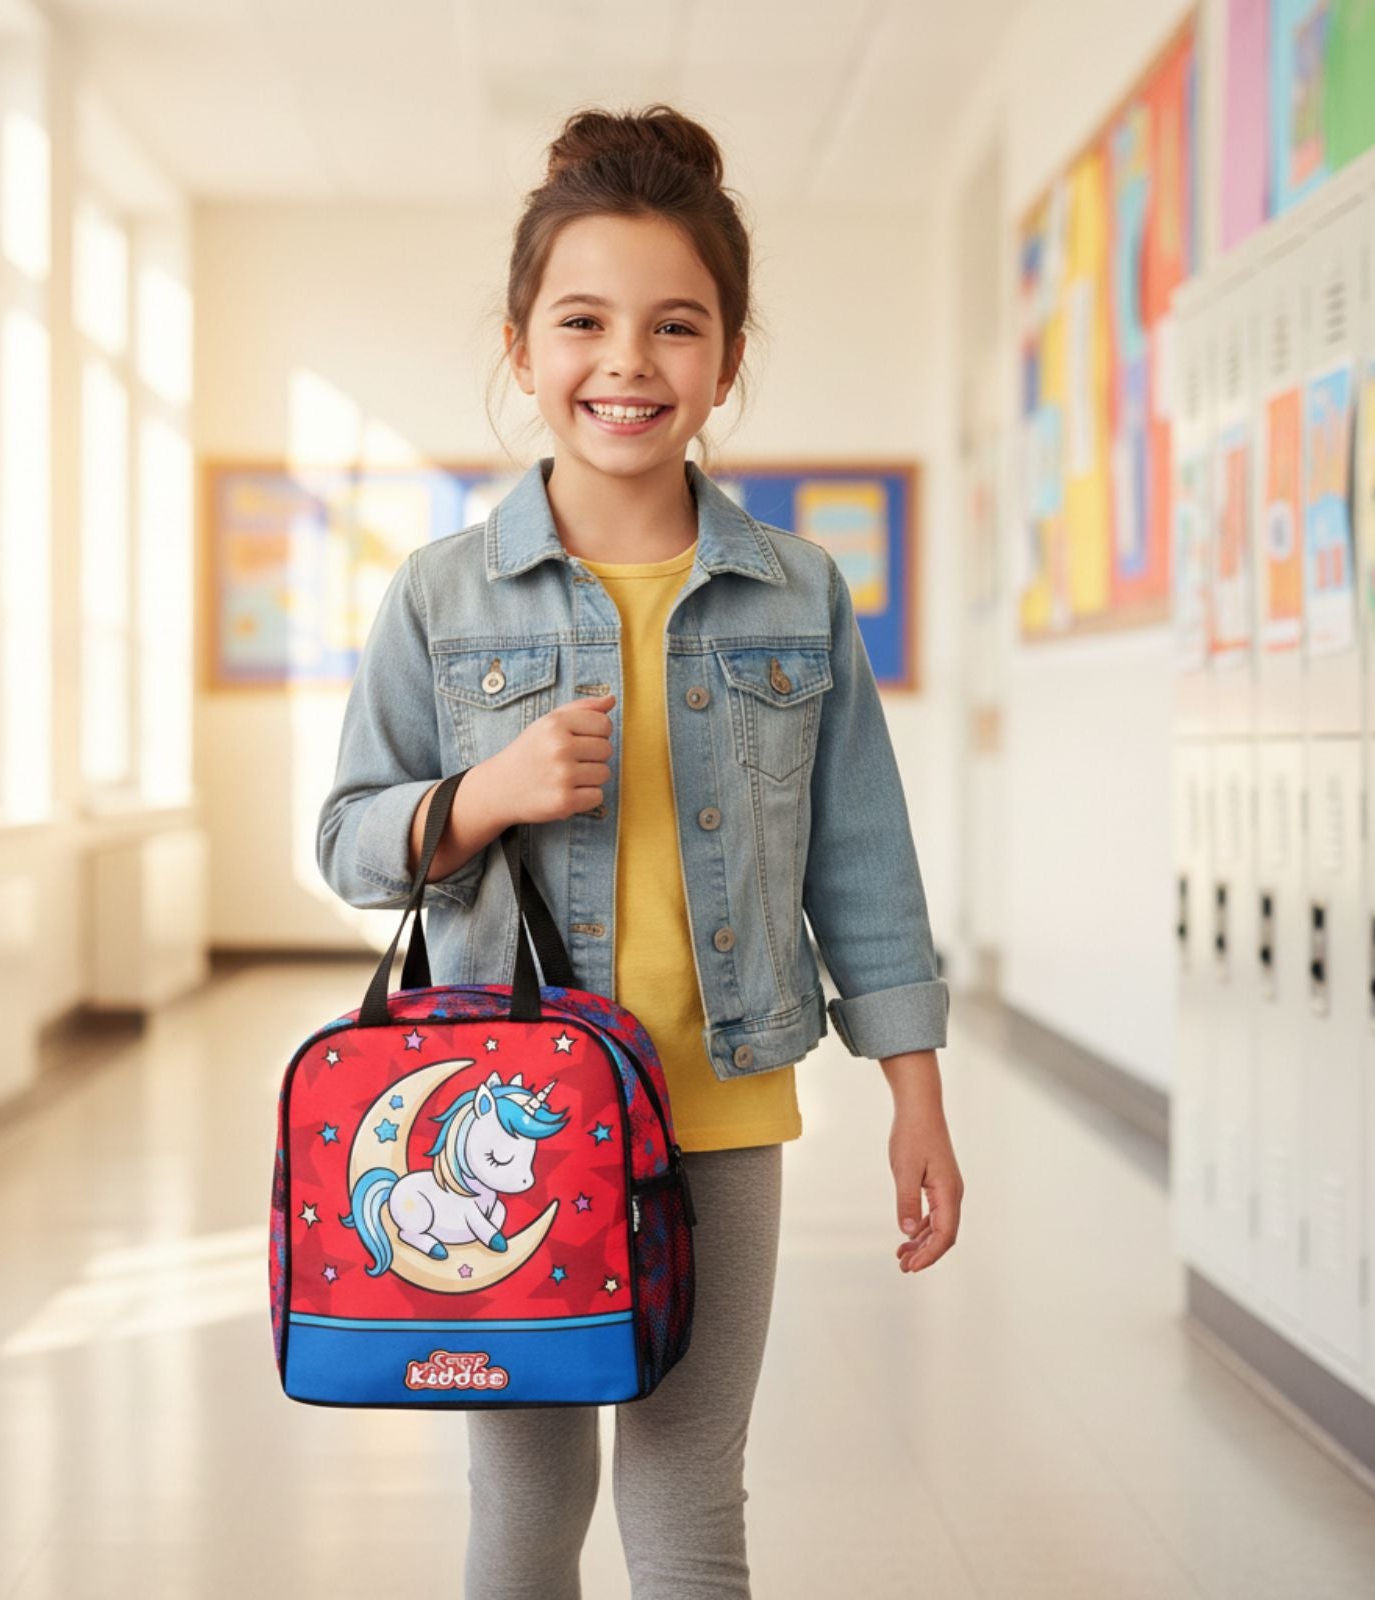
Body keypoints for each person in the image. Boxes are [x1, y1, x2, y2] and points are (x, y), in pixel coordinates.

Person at [316, 102, 964, 1600]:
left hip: (723, 1109)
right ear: (522, 344)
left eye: (677, 326)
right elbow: (353, 840)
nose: (628, 363)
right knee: (527, 1499)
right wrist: (482, 796)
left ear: (728, 358)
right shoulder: (438, 598)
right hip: (503, 1109)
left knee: (686, 1488)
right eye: (585, 321)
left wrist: (915, 1094)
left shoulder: (797, 592)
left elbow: (864, 859)